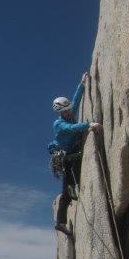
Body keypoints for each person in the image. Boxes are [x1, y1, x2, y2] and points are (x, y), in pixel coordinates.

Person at [48, 72, 102, 236]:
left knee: (66, 190)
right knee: (77, 162)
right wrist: (88, 125)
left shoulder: (69, 113)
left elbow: (76, 101)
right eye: (66, 112)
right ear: (60, 113)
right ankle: (61, 220)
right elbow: (71, 129)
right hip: (64, 157)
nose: (70, 112)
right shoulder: (59, 124)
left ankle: (60, 221)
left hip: (70, 153)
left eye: (69, 110)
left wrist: (82, 84)